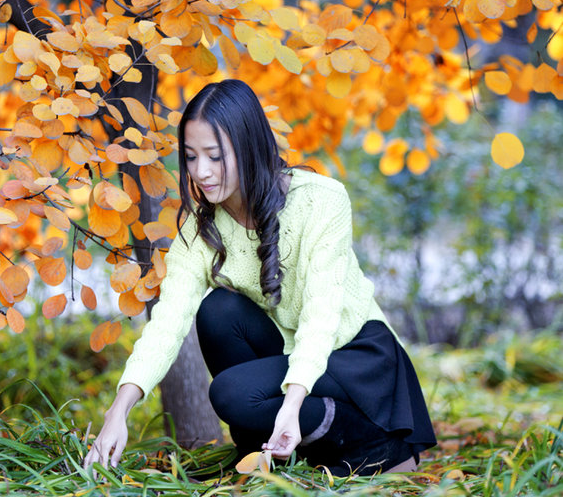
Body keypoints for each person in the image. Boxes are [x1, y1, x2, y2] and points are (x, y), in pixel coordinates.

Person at [82, 79, 437, 478]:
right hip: (293, 348)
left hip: (354, 355)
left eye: (215, 157)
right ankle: (265, 459)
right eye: (191, 156)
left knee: (232, 394)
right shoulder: (202, 232)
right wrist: (120, 410)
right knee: (217, 311)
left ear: (248, 146)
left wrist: (292, 404)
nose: (201, 172)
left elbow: (322, 315)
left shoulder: (322, 199)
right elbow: (167, 324)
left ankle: (382, 449)